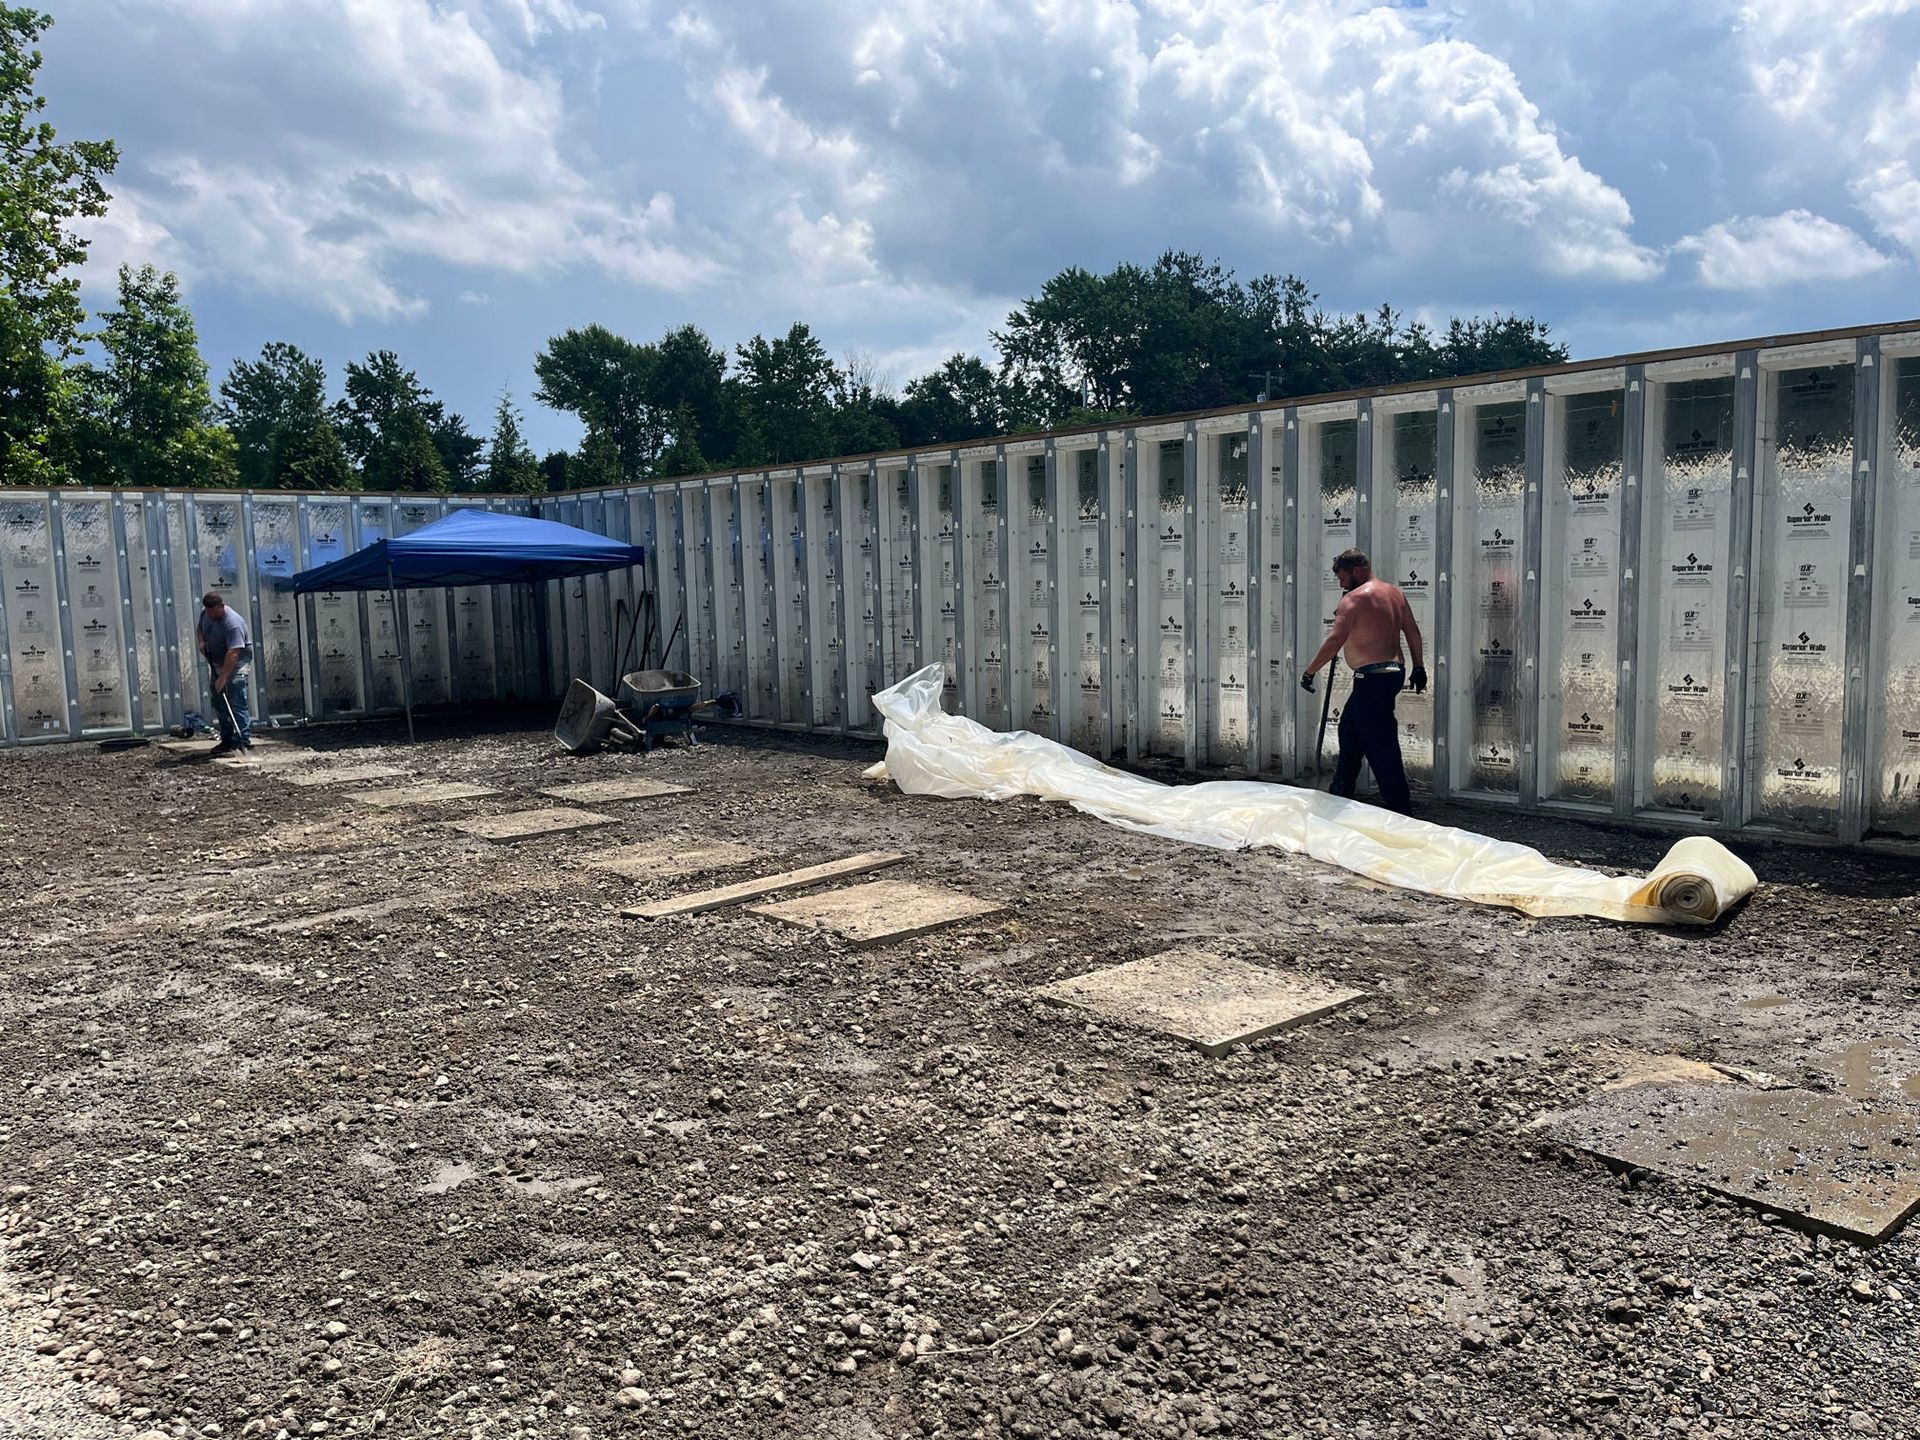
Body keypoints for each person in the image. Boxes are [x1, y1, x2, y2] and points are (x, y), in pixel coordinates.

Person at [1299, 548, 1425, 814]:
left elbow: (1335, 640)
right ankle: (1340, 792)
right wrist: (1419, 667)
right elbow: (1412, 630)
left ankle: (1400, 808)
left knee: (1381, 743)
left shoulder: (1353, 600)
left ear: (1357, 571)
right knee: (1350, 730)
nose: (1341, 584)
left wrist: (1310, 671)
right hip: (1392, 672)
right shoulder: (1394, 594)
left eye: (1342, 578)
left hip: (1372, 678)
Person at [197, 591, 254, 755]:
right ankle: (227, 739)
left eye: (216, 613)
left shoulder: (233, 623)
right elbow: (200, 628)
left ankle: (244, 741)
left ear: (222, 606)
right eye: (210, 613)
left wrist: (223, 677)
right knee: (219, 702)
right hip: (217, 662)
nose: (213, 616)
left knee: (236, 701)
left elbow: (234, 653)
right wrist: (201, 642)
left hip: (237, 664)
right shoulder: (205, 615)